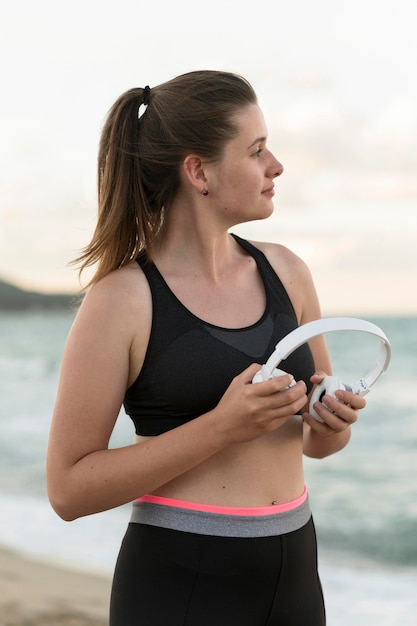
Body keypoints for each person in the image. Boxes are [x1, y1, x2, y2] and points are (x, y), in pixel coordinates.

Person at [47, 70, 366, 625]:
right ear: (198, 171)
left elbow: (317, 447)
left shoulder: (288, 272)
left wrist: (330, 421)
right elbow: (69, 490)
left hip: (294, 573)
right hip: (181, 581)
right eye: (257, 150)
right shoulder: (121, 301)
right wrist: (221, 426)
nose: (277, 166)